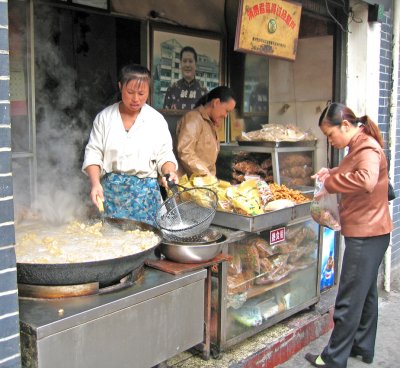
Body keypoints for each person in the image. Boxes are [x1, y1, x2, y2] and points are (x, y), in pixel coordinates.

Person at [305, 102, 393, 368]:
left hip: (366, 235)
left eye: (330, 135)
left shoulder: (365, 146)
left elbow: (366, 180)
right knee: (365, 296)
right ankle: (362, 347)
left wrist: (331, 183)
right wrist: (330, 172)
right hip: (374, 232)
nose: (330, 141)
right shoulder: (358, 144)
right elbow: (353, 171)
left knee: (348, 299)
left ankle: (332, 359)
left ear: (345, 125)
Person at [82, 64, 178, 227]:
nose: (136, 99)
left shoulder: (156, 120)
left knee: (147, 243)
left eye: (142, 93)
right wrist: (95, 183)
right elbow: (93, 153)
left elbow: (165, 156)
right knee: (112, 244)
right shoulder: (105, 118)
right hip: (112, 196)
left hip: (146, 199)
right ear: (120, 86)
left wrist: (169, 173)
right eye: (130, 92)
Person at [175, 86, 236, 178]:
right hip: (189, 184)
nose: (226, 116)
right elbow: (185, 152)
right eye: (226, 111)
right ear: (216, 102)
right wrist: (206, 175)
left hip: (204, 183)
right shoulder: (193, 118)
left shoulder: (210, 122)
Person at [163, 46, 208, 110]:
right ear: (181, 63)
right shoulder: (172, 88)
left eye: (190, 61)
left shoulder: (203, 90)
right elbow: (166, 116)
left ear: (196, 65)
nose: (187, 65)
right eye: (184, 61)